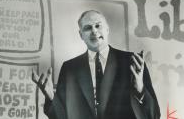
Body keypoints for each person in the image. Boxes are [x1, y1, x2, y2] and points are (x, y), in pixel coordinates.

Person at [32, 10, 160, 119]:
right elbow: (61, 116)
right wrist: (50, 96)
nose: (94, 31)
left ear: (107, 29)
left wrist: (140, 89)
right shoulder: (69, 68)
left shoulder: (132, 61)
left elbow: (154, 115)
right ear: (81, 35)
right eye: (87, 28)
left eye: (98, 25)